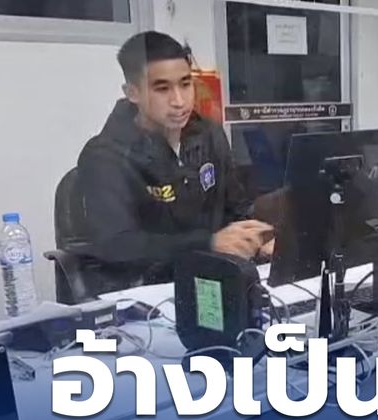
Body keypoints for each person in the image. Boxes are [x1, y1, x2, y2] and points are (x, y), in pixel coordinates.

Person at [72, 31, 273, 294]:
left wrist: (257, 237)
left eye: (186, 84)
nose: (179, 101)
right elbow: (117, 245)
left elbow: (235, 207)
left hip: (214, 280)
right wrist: (208, 244)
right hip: (147, 292)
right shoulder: (105, 155)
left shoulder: (209, 135)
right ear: (133, 93)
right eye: (162, 89)